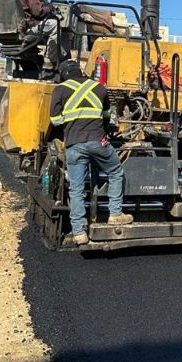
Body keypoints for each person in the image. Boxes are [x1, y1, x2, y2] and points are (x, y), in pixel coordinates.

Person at [48, 59, 133, 246]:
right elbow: (107, 116)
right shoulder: (99, 88)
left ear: (63, 74)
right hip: (97, 142)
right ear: (81, 71)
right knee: (116, 172)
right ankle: (115, 214)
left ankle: (79, 232)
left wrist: (71, 120)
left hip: (74, 145)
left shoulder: (60, 90)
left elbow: (55, 120)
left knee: (76, 188)